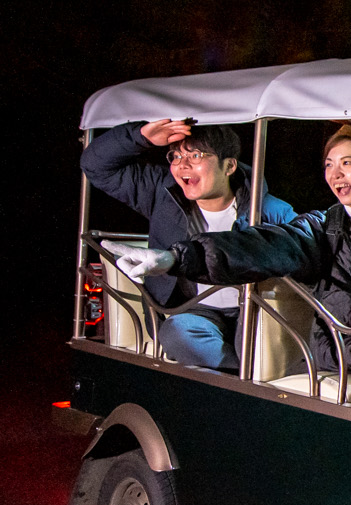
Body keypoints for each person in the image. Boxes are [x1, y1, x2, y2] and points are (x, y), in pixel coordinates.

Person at [105, 120, 351, 378]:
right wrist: (174, 257)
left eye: (346, 163)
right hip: (349, 345)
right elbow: (258, 247)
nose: (335, 174)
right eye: (329, 165)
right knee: (181, 333)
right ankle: (240, 377)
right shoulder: (321, 227)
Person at [84, 119, 298, 371]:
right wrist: (141, 136)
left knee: (264, 344)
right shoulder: (162, 193)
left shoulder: (271, 211)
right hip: (194, 311)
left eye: (195, 155)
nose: (182, 165)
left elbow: (300, 258)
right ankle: (240, 372)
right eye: (175, 156)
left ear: (229, 166)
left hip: (254, 309)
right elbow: (95, 166)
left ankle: (245, 369)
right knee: (177, 334)